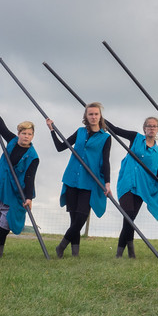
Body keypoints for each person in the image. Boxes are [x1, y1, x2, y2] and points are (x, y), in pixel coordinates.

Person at [46, 102, 113, 259]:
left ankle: (61, 246)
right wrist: (52, 130)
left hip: (89, 181)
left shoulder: (105, 138)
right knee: (74, 218)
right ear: (86, 116)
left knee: (81, 217)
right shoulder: (80, 132)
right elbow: (61, 147)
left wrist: (107, 183)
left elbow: (106, 161)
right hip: (72, 178)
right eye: (90, 114)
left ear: (100, 116)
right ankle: (75, 254)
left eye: (96, 114)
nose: (93, 117)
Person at [0, 99, 40, 259]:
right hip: (2, 186)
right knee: (0, 220)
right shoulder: (12, 141)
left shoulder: (33, 157)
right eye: (23, 133)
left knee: (6, 222)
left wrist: (28, 197)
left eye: (29, 134)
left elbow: (29, 178)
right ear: (19, 133)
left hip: (16, 192)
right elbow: (0, 126)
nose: (26, 136)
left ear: (32, 136)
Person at [109, 117, 158, 259]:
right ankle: (119, 254)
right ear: (144, 128)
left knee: (130, 219)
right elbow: (115, 130)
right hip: (127, 183)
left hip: (142, 188)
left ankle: (130, 252)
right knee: (128, 215)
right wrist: (99, 118)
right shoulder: (135, 138)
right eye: (149, 126)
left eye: (154, 126)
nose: (151, 128)